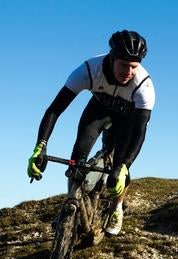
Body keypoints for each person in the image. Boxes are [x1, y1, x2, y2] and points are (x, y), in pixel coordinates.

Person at [27, 30, 155, 235]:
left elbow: (139, 132)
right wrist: (40, 146)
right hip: (99, 111)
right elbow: (54, 109)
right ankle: (71, 203)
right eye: (124, 65)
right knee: (77, 156)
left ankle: (117, 208)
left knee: (119, 168)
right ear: (112, 58)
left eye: (134, 66)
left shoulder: (144, 85)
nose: (129, 72)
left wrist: (124, 166)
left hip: (128, 120)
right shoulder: (89, 69)